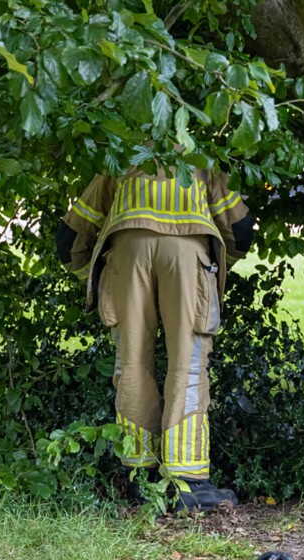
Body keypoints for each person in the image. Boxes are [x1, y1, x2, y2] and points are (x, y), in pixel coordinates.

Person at [58, 162, 255, 512]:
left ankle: (140, 476)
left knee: (131, 364)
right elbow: (240, 230)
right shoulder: (201, 160)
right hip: (187, 256)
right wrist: (212, 266)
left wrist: (97, 275)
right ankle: (187, 482)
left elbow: (70, 238)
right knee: (188, 365)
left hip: (127, 254)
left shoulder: (118, 159)